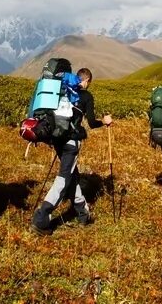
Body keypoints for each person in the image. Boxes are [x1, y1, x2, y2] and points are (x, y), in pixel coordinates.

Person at [31, 67, 112, 234]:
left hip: (58, 139)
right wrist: (104, 121)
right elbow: (91, 123)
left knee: (72, 175)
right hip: (72, 142)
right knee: (64, 178)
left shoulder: (64, 92)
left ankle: (82, 212)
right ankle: (42, 217)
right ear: (87, 81)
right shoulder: (86, 96)